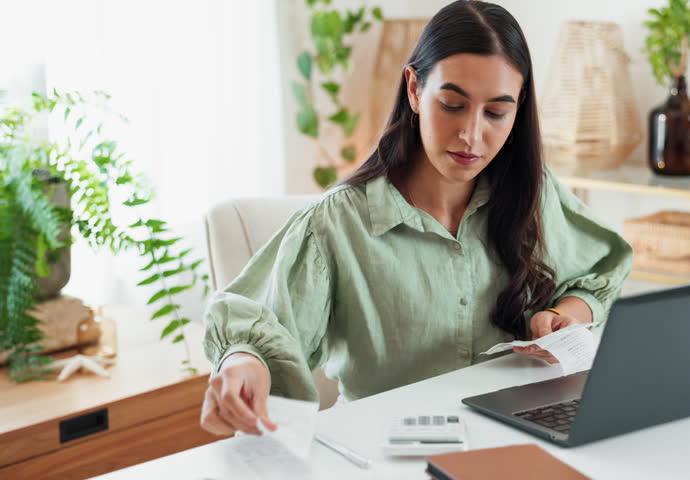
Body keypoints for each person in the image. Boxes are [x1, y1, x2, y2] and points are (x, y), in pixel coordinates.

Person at [200, 0, 632, 437]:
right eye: (451, 104)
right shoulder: (337, 222)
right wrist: (242, 361)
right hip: (388, 448)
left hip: (517, 435)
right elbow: (263, 326)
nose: (471, 135)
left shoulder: (532, 192)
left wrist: (566, 313)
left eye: (497, 113)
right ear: (414, 89)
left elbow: (601, 271)